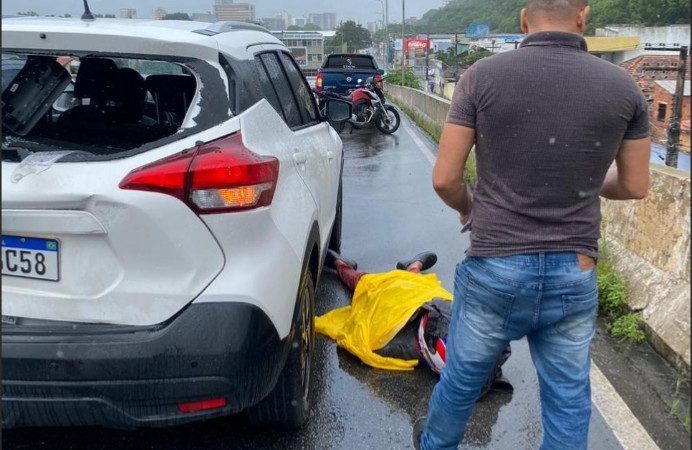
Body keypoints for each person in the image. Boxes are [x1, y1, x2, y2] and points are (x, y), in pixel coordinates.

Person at [414, 1, 651, 449]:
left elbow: (445, 179)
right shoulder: (623, 87)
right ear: (582, 16)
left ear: (524, 19)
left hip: (495, 269)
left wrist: (470, 207)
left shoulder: (480, 77)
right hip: (574, 271)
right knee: (567, 400)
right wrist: (586, 177)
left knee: (461, 384)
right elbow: (636, 185)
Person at [316, 250, 512, 397]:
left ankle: (340, 264)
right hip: (424, 300)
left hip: (396, 301)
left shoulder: (403, 346)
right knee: (414, 284)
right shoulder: (459, 327)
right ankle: (413, 267)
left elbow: (364, 340)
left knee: (365, 284)